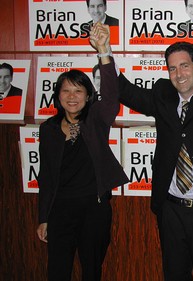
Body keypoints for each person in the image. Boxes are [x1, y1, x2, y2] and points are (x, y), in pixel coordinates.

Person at [90, 11, 193, 280]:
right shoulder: (163, 96)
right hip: (171, 212)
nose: (179, 74)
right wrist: (105, 51)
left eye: (185, 66)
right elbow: (124, 90)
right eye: (172, 68)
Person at [36, 31, 128, 281]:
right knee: (57, 270)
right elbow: (46, 177)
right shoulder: (48, 129)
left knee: (91, 270)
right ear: (58, 96)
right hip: (60, 210)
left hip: (94, 208)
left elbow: (110, 95)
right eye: (66, 91)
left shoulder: (96, 119)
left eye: (78, 91)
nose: (72, 97)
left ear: (88, 96)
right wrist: (43, 218)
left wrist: (104, 53)